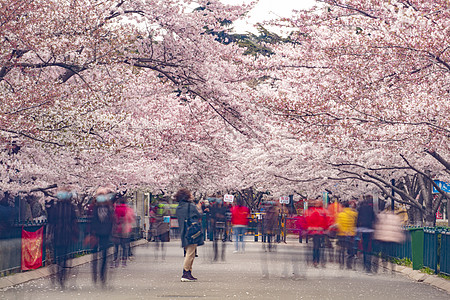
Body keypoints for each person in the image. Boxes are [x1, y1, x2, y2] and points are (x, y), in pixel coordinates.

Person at [47, 187, 79, 288]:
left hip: (58, 234)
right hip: (66, 234)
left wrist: (49, 233)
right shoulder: (71, 207)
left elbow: (51, 221)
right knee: (64, 256)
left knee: (58, 255)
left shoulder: (56, 207)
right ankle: (62, 276)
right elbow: (74, 221)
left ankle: (60, 275)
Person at [175, 188, 202, 282]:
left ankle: (189, 272)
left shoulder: (179, 207)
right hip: (192, 231)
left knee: (190, 252)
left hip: (183, 231)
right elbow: (199, 216)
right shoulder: (191, 206)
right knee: (190, 253)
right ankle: (185, 273)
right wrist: (198, 208)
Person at [90, 187, 115, 286]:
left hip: (105, 234)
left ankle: (102, 274)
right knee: (95, 254)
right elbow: (91, 220)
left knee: (104, 254)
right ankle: (95, 273)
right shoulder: (93, 207)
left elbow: (112, 220)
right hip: (95, 233)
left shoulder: (109, 208)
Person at [305, 199, 330, 267]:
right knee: (316, 246)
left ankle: (317, 260)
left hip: (320, 230)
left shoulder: (323, 211)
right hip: (315, 231)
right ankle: (316, 260)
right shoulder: (312, 211)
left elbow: (327, 220)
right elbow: (307, 219)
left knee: (318, 246)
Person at [112, 196, 134, 267]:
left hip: (116, 229)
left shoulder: (115, 209)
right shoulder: (128, 209)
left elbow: (113, 218)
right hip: (125, 229)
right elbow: (131, 219)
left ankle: (115, 260)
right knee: (124, 246)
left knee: (116, 246)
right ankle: (124, 261)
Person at [356, 196, 376, 274]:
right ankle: (369, 266)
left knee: (364, 247)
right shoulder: (371, 209)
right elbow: (374, 218)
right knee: (369, 247)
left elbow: (358, 219)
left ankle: (365, 264)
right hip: (369, 229)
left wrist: (357, 228)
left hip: (363, 229)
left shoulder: (360, 209)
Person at [336, 201, 358, 269]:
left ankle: (341, 263)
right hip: (351, 233)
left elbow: (339, 224)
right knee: (350, 249)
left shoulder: (340, 214)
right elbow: (356, 223)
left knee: (341, 248)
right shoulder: (354, 214)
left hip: (342, 234)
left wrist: (343, 230)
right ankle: (349, 264)